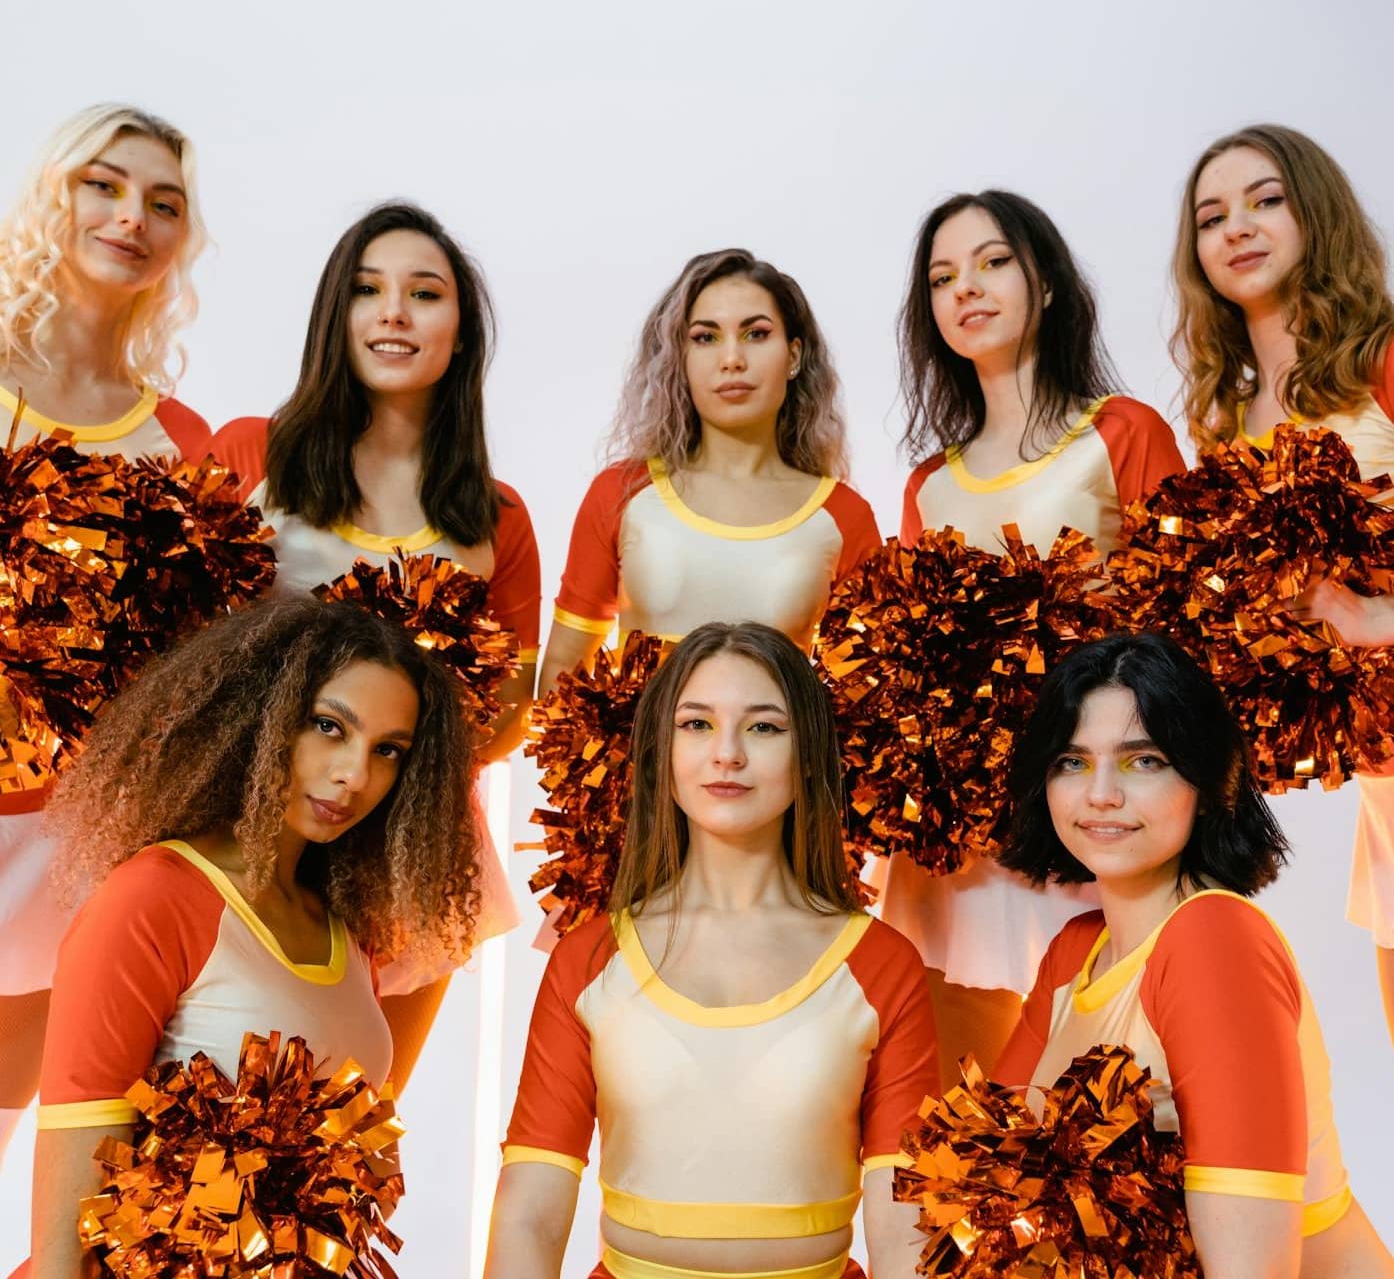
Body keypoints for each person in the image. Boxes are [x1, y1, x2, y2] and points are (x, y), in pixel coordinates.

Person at [28, 598, 484, 1279]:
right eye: (329, 727)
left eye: (387, 751)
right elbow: (73, 1186)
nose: (355, 775)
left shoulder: (345, 929)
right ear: (259, 717)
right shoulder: (154, 898)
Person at [486, 622, 938, 1279]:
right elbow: (530, 1211)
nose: (726, 753)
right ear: (659, 751)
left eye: (764, 727)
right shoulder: (589, 959)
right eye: (696, 725)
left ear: (809, 754)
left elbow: (905, 1227)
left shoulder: (881, 964)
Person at [212, 202, 539, 1080]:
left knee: (359, 1128)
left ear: (462, 334)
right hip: (250, 836)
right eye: (368, 290)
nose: (394, 312)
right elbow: (186, 664)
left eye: (423, 293)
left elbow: (510, 715)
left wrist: (403, 749)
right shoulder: (250, 455)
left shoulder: (497, 517)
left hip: (416, 856)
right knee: (212, 1125)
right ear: (337, 316)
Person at [883, 190, 1185, 1088]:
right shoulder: (927, 486)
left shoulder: (1122, 434)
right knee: (959, 1114)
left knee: (1105, 1115)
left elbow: (1181, 644)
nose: (966, 288)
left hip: (1091, 821)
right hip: (959, 852)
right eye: (943, 277)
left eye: (992, 262)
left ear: (1045, 282)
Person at [996, 632, 1393, 1277]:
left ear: (1207, 780)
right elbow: (980, 1166)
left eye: (1142, 760)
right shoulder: (1075, 952)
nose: (1101, 794)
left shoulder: (1215, 942)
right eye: (1072, 761)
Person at [0, 103, 211, 1166]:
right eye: (105, 184)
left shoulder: (179, 443)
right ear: (57, 196)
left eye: (161, 202)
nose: (131, 216)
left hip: (60, 841)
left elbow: (183, 664)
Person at [1170, 123, 1394, 1047]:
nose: (1238, 228)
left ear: (1316, 211)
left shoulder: (1383, 359)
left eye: (1266, 200)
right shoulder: (1223, 412)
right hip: (1379, 768)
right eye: (1211, 216)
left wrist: (1372, 615)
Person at [538, 248, 880, 696]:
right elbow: (564, 671)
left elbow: (871, 699)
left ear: (793, 355)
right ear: (679, 359)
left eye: (756, 334)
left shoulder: (843, 516)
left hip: (782, 766)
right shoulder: (621, 494)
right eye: (705, 338)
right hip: (643, 766)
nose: (732, 359)